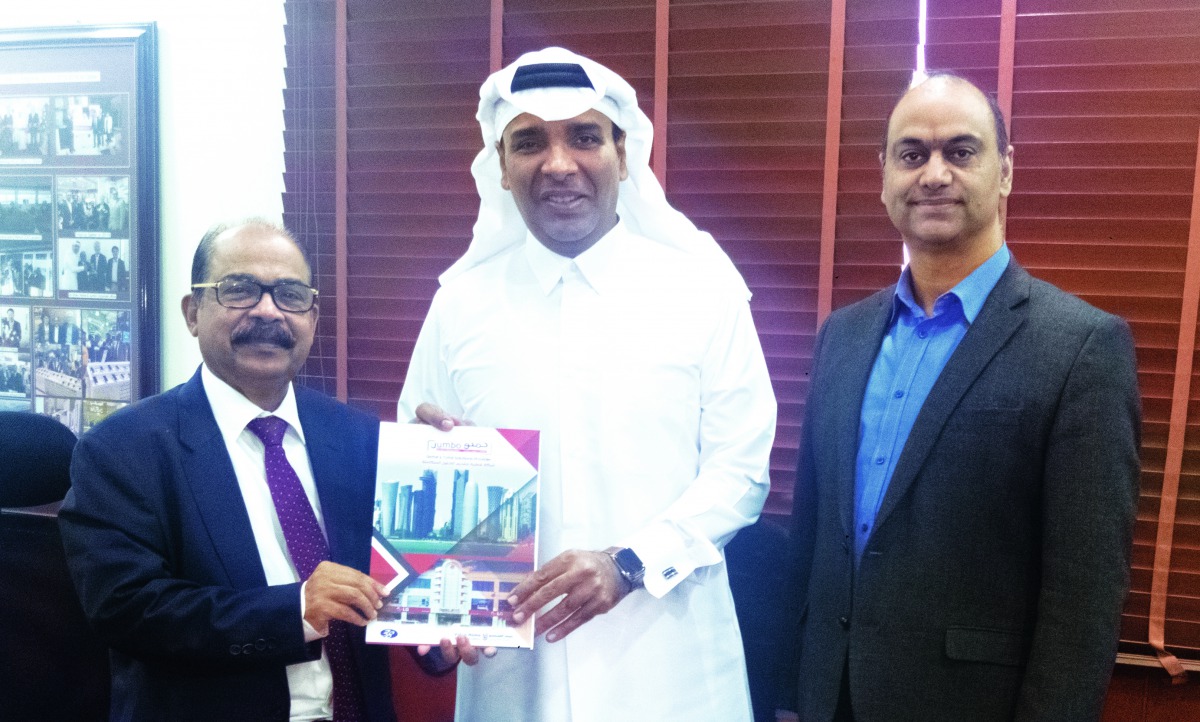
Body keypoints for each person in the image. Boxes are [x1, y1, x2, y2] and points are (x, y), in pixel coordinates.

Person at [398, 47, 777, 721]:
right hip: (514, 679)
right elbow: (422, 473)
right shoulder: (459, 306)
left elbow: (740, 473)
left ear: (624, 156)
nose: (559, 163)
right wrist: (435, 610)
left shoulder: (702, 292)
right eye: (530, 142)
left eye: (584, 136)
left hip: (669, 670)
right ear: (503, 169)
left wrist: (629, 563)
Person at [781, 73, 1141, 722]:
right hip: (829, 697)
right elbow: (810, 536)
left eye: (961, 152)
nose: (934, 174)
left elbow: (1084, 601)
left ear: (1004, 172)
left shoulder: (1082, 347)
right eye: (912, 154)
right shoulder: (844, 335)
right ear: (884, 174)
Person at [59, 219, 398, 721]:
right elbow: (126, 609)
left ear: (313, 316)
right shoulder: (122, 449)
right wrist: (295, 611)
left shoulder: (361, 437)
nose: (268, 311)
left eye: (290, 294)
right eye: (239, 290)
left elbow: (395, 580)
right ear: (193, 313)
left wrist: (442, 637)